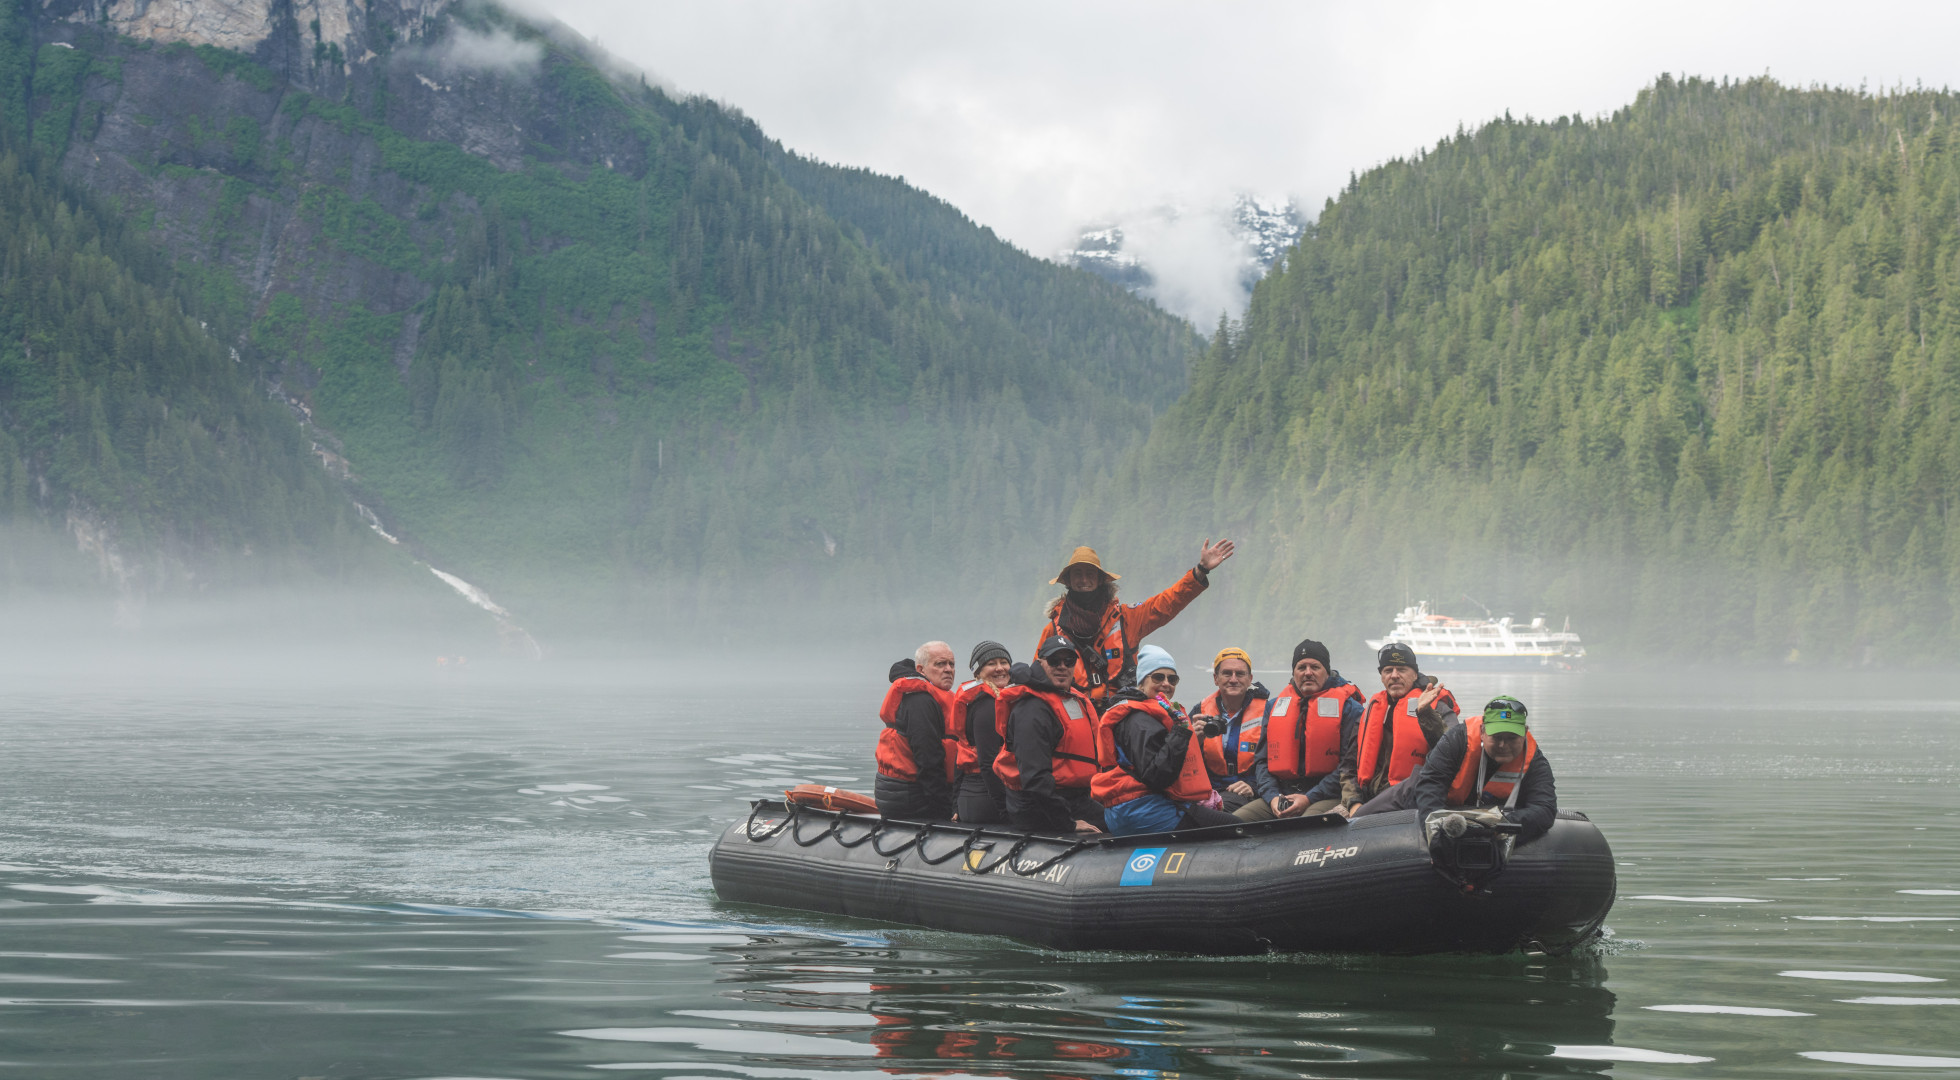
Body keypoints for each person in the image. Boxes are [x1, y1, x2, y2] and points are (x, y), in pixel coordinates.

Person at [1035, 540, 1235, 706]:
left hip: (1122, 718)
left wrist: (1200, 571)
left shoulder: (1126, 618)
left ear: (1100, 580)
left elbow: (1165, 605)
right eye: (1078, 573)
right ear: (1069, 581)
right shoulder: (1054, 629)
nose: (1084, 579)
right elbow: (1037, 674)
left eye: (1090, 573)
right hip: (1076, 714)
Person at [1353, 696, 1558, 841]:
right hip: (1416, 795)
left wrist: (1499, 824)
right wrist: (1436, 836)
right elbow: (1431, 786)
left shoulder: (1534, 761)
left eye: (1512, 738)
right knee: (1356, 822)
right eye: (1497, 737)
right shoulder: (1457, 740)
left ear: (1525, 733)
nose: (1503, 745)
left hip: (1485, 814)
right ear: (1482, 731)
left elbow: (1545, 809)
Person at [1092, 646, 1243, 835]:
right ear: (1142, 681)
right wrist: (1181, 732)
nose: (1166, 683)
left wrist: (1190, 737)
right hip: (1142, 810)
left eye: (1172, 679)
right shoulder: (1138, 720)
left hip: (1139, 806)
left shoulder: (1148, 713)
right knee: (1237, 827)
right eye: (1158, 677)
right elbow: (1156, 777)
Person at [1240, 638, 1367, 820]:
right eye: (1301, 667)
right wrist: (1272, 797)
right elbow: (1262, 761)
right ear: (1294, 672)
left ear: (1327, 672)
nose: (1308, 673)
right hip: (1281, 794)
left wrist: (1309, 798)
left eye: (1315, 667)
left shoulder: (1350, 709)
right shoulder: (1273, 706)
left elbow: (1349, 766)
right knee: (1238, 820)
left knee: (1306, 824)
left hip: (1326, 795)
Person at [995, 637, 1105, 834]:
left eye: (1068, 661)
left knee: (1124, 816)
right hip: (1039, 807)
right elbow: (1035, 779)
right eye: (1054, 661)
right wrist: (1068, 824)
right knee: (1118, 825)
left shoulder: (1071, 697)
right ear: (1040, 663)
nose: (1062, 667)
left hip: (1074, 797)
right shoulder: (1032, 710)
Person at [1351, 642, 1459, 808]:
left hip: (1415, 798)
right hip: (1369, 797)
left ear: (1415, 675)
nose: (1394, 675)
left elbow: (1452, 753)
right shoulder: (1371, 709)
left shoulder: (1438, 707)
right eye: (1388, 670)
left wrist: (1426, 714)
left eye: (1401, 670)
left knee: (1361, 817)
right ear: (1382, 677)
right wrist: (1353, 801)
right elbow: (1349, 765)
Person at [873, 641, 958, 820]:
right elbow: (928, 759)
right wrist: (946, 809)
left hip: (904, 791)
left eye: (951, 664)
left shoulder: (929, 696)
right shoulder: (920, 701)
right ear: (921, 670)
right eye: (940, 664)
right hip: (908, 795)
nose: (948, 669)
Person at [1191, 647, 1270, 812]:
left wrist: (1254, 786)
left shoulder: (1267, 712)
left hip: (1245, 791)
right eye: (1227, 673)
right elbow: (1181, 762)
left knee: (1210, 812)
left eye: (1240, 674)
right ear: (1216, 678)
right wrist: (1192, 742)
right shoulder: (1200, 712)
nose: (1233, 679)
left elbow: (1275, 760)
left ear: (1250, 679)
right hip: (1208, 791)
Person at [950, 640, 1014, 825]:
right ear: (978, 673)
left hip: (975, 796)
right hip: (986, 799)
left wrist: (955, 804)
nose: (1000, 668)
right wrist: (1006, 810)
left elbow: (959, 758)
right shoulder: (987, 706)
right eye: (991, 663)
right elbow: (988, 763)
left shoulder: (987, 701)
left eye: (1004, 662)